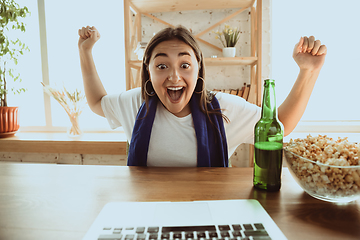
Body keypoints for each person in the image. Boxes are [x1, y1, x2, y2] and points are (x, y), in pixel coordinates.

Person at [78, 25, 327, 167]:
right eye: (162, 66)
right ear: (148, 71)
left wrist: (309, 71)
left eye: (184, 65)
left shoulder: (225, 109)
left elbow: (279, 124)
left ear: (198, 69)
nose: (174, 77)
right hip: (146, 211)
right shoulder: (134, 102)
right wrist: (85, 51)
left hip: (210, 211)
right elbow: (98, 102)